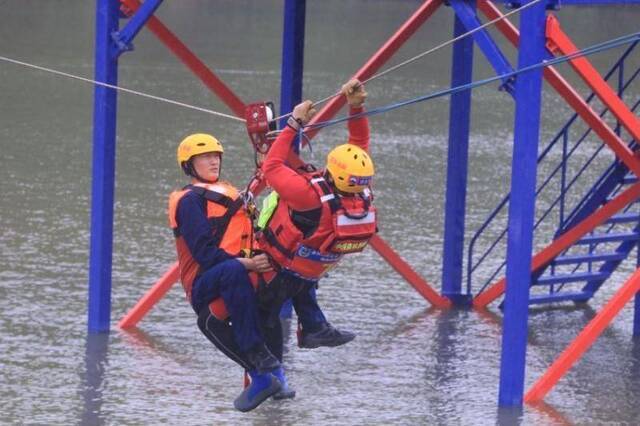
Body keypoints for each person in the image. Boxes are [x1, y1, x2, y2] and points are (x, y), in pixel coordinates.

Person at [168, 133, 290, 411]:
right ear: (189, 164)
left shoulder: (227, 192)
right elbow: (205, 255)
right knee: (234, 270)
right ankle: (258, 362)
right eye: (205, 157)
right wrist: (248, 264)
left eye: (216, 156)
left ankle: (282, 369)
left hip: (236, 273)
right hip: (204, 283)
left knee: (274, 291)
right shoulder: (189, 202)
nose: (214, 161)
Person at [256, 79, 377, 349]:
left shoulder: (309, 196)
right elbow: (360, 143)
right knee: (302, 293)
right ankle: (313, 327)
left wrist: (294, 124)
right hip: (313, 269)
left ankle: (269, 374)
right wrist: (356, 108)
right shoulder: (361, 191)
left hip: (280, 269)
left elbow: (272, 166)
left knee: (266, 321)